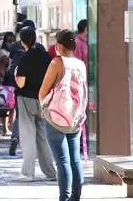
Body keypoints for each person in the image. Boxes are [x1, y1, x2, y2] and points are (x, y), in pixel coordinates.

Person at [40, 29, 88, 201]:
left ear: (59, 46)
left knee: (62, 162)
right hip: (74, 119)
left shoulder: (57, 63)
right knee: (75, 160)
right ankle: (76, 197)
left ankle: (64, 198)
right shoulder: (80, 64)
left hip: (56, 118)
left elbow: (42, 92)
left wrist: (44, 107)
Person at [14, 26, 57, 181]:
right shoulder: (45, 55)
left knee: (28, 135)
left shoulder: (25, 58)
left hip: (26, 99)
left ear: (22, 41)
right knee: (42, 136)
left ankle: (28, 173)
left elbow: (20, 83)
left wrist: (15, 74)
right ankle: (51, 172)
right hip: (43, 100)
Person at [7, 19, 36, 156]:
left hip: (19, 84)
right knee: (35, 117)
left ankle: (15, 137)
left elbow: (10, 65)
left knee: (20, 114)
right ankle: (30, 145)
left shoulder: (14, 47)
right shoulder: (38, 48)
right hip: (35, 87)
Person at [74, 19, 89, 161]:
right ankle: (81, 145)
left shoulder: (77, 42)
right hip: (81, 84)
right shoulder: (80, 44)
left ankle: (80, 145)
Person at [0, 31, 16, 135]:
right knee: (5, 104)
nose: (11, 43)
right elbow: (3, 65)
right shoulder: (3, 52)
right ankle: (6, 127)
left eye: (13, 40)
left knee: (11, 104)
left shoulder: (12, 51)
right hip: (5, 79)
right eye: (9, 41)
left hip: (11, 79)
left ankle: (10, 125)